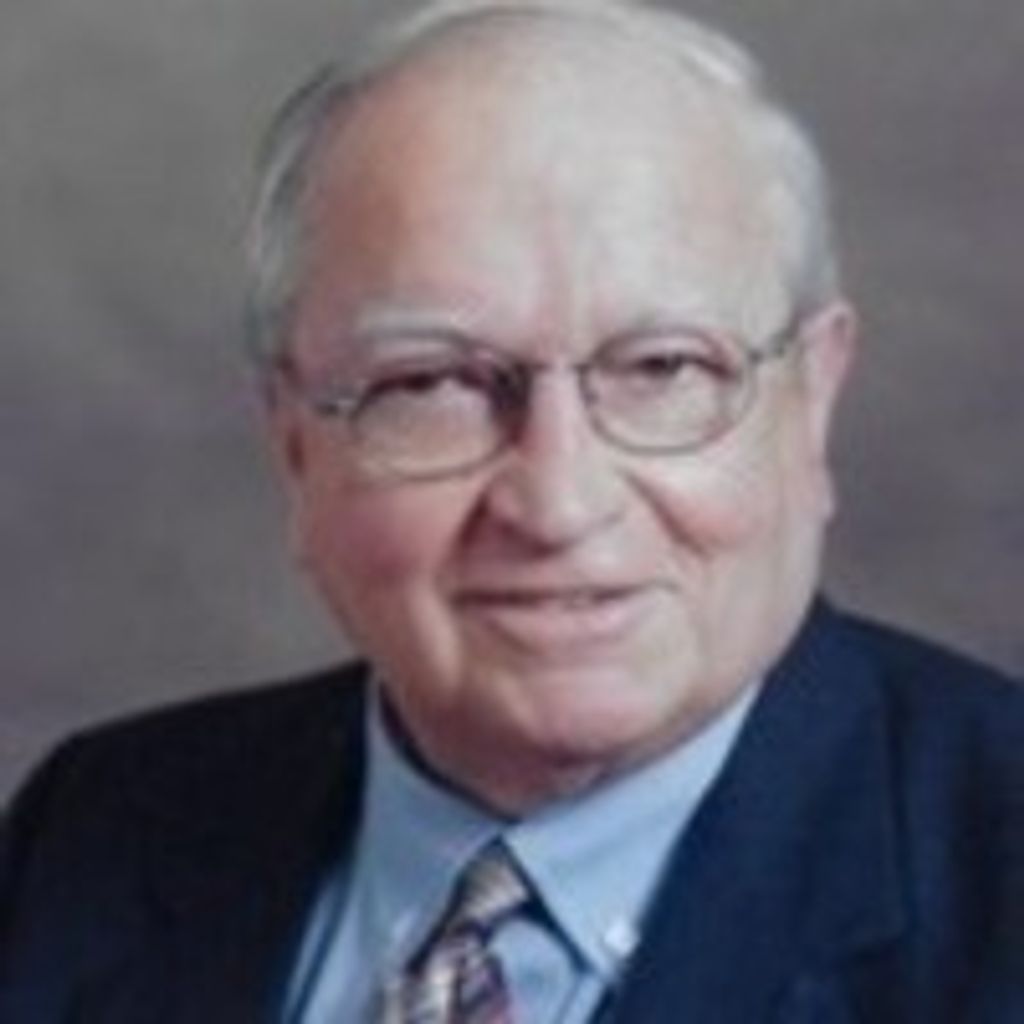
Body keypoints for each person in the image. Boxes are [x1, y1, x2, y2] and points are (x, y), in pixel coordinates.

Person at [2, 1, 1022, 1020]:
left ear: (811, 404)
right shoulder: (88, 833)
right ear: (296, 446)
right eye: (432, 383)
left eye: (663, 368)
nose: (557, 503)